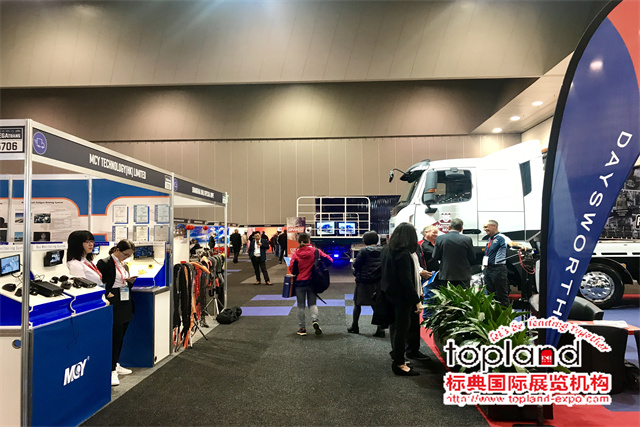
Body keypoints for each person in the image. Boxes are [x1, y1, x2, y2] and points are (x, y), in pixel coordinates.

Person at [379, 222, 423, 376]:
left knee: (396, 329)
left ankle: (398, 357)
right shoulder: (404, 254)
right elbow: (406, 281)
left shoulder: (387, 250)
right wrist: (417, 301)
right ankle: (399, 364)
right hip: (402, 298)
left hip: (389, 294)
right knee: (402, 330)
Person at [97, 239, 137, 387]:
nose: (126, 257)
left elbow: (122, 282)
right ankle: (111, 369)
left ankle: (115, 363)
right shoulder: (105, 263)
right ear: (117, 250)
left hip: (125, 299)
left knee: (121, 336)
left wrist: (130, 282)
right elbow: (100, 282)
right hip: (114, 301)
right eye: (125, 254)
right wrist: (107, 293)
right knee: (115, 336)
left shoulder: (124, 265)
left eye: (129, 255)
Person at [288, 232, 333, 336]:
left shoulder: (296, 253)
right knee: (312, 304)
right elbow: (330, 260)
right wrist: (320, 267)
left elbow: (291, 269)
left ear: (298, 241)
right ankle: (315, 320)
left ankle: (302, 328)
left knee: (300, 306)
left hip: (300, 283)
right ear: (309, 240)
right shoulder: (316, 251)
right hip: (313, 282)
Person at [349, 231, 385, 337]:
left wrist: (356, 273)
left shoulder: (364, 251)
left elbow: (356, 264)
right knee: (376, 305)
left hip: (363, 281)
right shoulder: (383, 250)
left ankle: (355, 326)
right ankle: (380, 329)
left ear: (365, 240)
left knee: (357, 304)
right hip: (377, 280)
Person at [483, 220, 520, 306]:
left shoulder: (501, 237)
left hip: (498, 269)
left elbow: (511, 243)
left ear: (494, 226)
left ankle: (505, 313)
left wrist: (521, 246)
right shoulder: (490, 239)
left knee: (502, 295)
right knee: (490, 295)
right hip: (488, 269)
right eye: (484, 227)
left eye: (486, 227)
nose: (484, 229)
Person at [432, 218, 476, 288]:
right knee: (462, 294)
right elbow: (472, 257)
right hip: (463, 275)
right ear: (461, 229)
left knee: (447, 294)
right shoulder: (467, 239)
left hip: (446, 274)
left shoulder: (439, 238)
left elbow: (435, 256)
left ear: (449, 227)